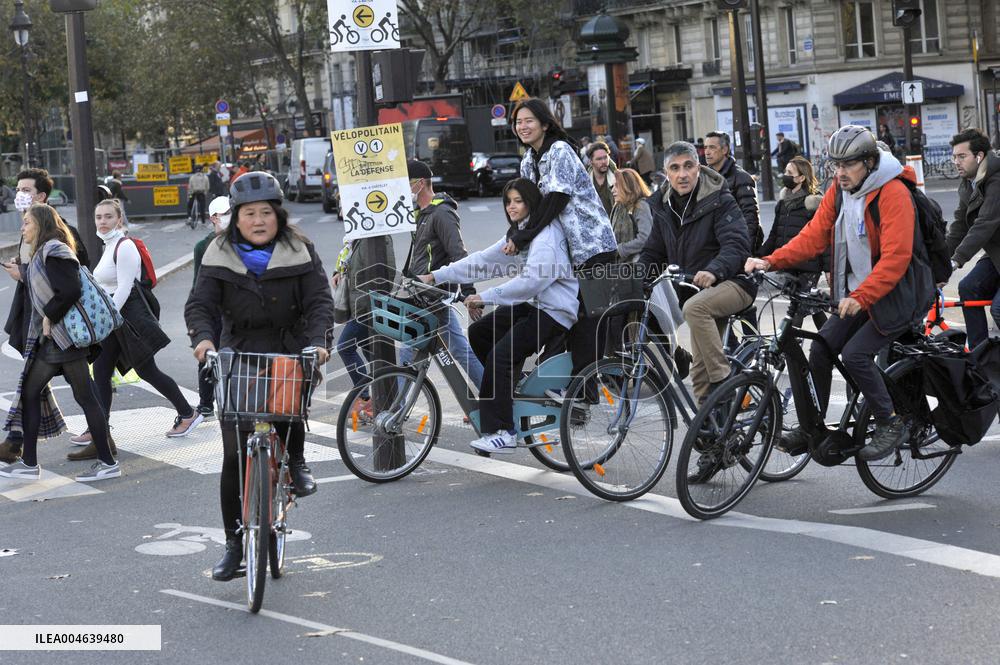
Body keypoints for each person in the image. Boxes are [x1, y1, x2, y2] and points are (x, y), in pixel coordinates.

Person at [746, 125, 934, 462]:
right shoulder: (841, 190)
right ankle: (812, 429)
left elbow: (896, 258)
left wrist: (860, 297)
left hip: (899, 294)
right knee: (820, 349)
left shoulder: (893, 193)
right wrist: (770, 261)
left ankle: (892, 421)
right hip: (861, 293)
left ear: (870, 162)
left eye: (848, 165)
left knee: (855, 355)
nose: (840, 172)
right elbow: (814, 235)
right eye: (835, 165)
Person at [186, 171, 333, 581]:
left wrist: (318, 340)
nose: (258, 221)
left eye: (266, 212)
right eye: (249, 213)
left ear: (278, 215)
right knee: (234, 455)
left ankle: (297, 461)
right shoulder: (218, 253)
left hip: (290, 347)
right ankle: (235, 545)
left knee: (289, 410)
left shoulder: (299, 249)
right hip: (239, 352)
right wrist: (203, 341)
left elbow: (320, 300)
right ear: (236, 218)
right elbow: (200, 305)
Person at [419, 178, 577, 454]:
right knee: (479, 333)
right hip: (535, 305)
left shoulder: (546, 236)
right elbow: (482, 261)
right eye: (508, 202)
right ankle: (508, 393)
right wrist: (435, 276)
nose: (512, 207)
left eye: (518, 201)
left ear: (531, 203)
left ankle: (504, 431)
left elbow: (531, 282)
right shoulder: (520, 233)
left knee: (500, 356)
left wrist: (486, 296)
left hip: (554, 311)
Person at [639, 142, 755, 482]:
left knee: (696, 313)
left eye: (688, 166)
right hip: (696, 293)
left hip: (733, 284)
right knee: (698, 379)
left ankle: (725, 381)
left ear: (698, 167)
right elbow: (652, 252)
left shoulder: (720, 197)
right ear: (666, 173)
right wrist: (635, 279)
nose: (682, 174)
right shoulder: (662, 205)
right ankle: (714, 450)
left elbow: (737, 244)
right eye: (675, 169)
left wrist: (716, 270)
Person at [68, 198, 203, 459]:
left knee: (146, 370)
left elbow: (125, 288)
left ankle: (187, 413)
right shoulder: (108, 246)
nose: (103, 222)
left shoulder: (124, 246)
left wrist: (104, 320)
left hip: (126, 321)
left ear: (119, 219)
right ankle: (99, 429)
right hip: (115, 321)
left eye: (108, 217)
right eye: (99, 217)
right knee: (101, 371)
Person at [0, 204, 118, 482]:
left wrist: (49, 318)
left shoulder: (55, 250)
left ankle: (34, 464)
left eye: (27, 223)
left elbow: (70, 289)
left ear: (40, 223)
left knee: (39, 392)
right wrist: (24, 274)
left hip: (61, 338)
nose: (22, 228)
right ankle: (102, 460)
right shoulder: (48, 250)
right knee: (81, 395)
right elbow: (50, 284)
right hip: (61, 340)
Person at [506, 98, 619, 386]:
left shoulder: (559, 150)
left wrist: (526, 234)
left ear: (545, 123)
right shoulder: (528, 161)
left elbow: (557, 199)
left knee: (585, 323)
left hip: (593, 247)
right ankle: (559, 385)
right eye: (518, 122)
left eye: (529, 120)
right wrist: (513, 232)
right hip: (564, 254)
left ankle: (585, 392)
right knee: (558, 317)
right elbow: (526, 205)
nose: (523, 126)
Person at [0, 168, 89, 464]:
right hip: (39, 322)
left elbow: (73, 274)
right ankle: (17, 444)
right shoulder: (30, 227)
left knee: (42, 386)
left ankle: (18, 448)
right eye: (18, 188)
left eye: (25, 189)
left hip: (56, 326)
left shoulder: (58, 230)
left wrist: (24, 274)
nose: (19, 194)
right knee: (43, 386)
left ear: (40, 196)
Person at [400, 159, 484, 390]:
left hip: (433, 295)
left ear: (420, 183)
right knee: (458, 349)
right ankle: (493, 394)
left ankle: (394, 410)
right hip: (423, 294)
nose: (404, 188)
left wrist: (468, 292)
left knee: (408, 351)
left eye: (406, 183)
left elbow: (459, 254)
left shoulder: (441, 213)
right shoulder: (422, 213)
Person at [946, 128, 1000, 349]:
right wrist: (939, 261)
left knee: (998, 308)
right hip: (996, 255)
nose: (956, 162)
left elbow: (985, 224)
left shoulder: (996, 181)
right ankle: (981, 360)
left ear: (979, 156)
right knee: (969, 288)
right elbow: (959, 227)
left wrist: (957, 260)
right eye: (954, 157)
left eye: (962, 156)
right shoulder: (968, 184)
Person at [760, 156, 829, 328]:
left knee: (796, 310)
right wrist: (759, 257)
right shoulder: (783, 203)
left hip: (810, 267)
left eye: (789, 173)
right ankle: (830, 340)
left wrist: (828, 269)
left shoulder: (813, 204)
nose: (785, 176)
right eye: (785, 172)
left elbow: (825, 238)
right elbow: (775, 234)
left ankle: (788, 348)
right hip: (791, 264)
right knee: (812, 306)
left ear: (801, 178)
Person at [191, 196, 231, 418]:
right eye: (226, 213)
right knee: (207, 355)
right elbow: (199, 281)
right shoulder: (202, 246)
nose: (230, 217)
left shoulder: (240, 240)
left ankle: (231, 399)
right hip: (213, 309)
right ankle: (206, 402)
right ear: (214, 218)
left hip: (234, 309)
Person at [704, 131, 761, 252]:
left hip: (734, 243)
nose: (707, 152)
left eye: (712, 147)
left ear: (724, 150)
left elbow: (750, 218)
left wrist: (744, 251)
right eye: (705, 147)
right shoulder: (703, 178)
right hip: (712, 246)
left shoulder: (741, 177)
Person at [586, 141, 617, 217]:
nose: (603, 162)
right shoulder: (585, 183)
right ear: (591, 161)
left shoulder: (618, 180)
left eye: (605, 157)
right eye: (599, 159)